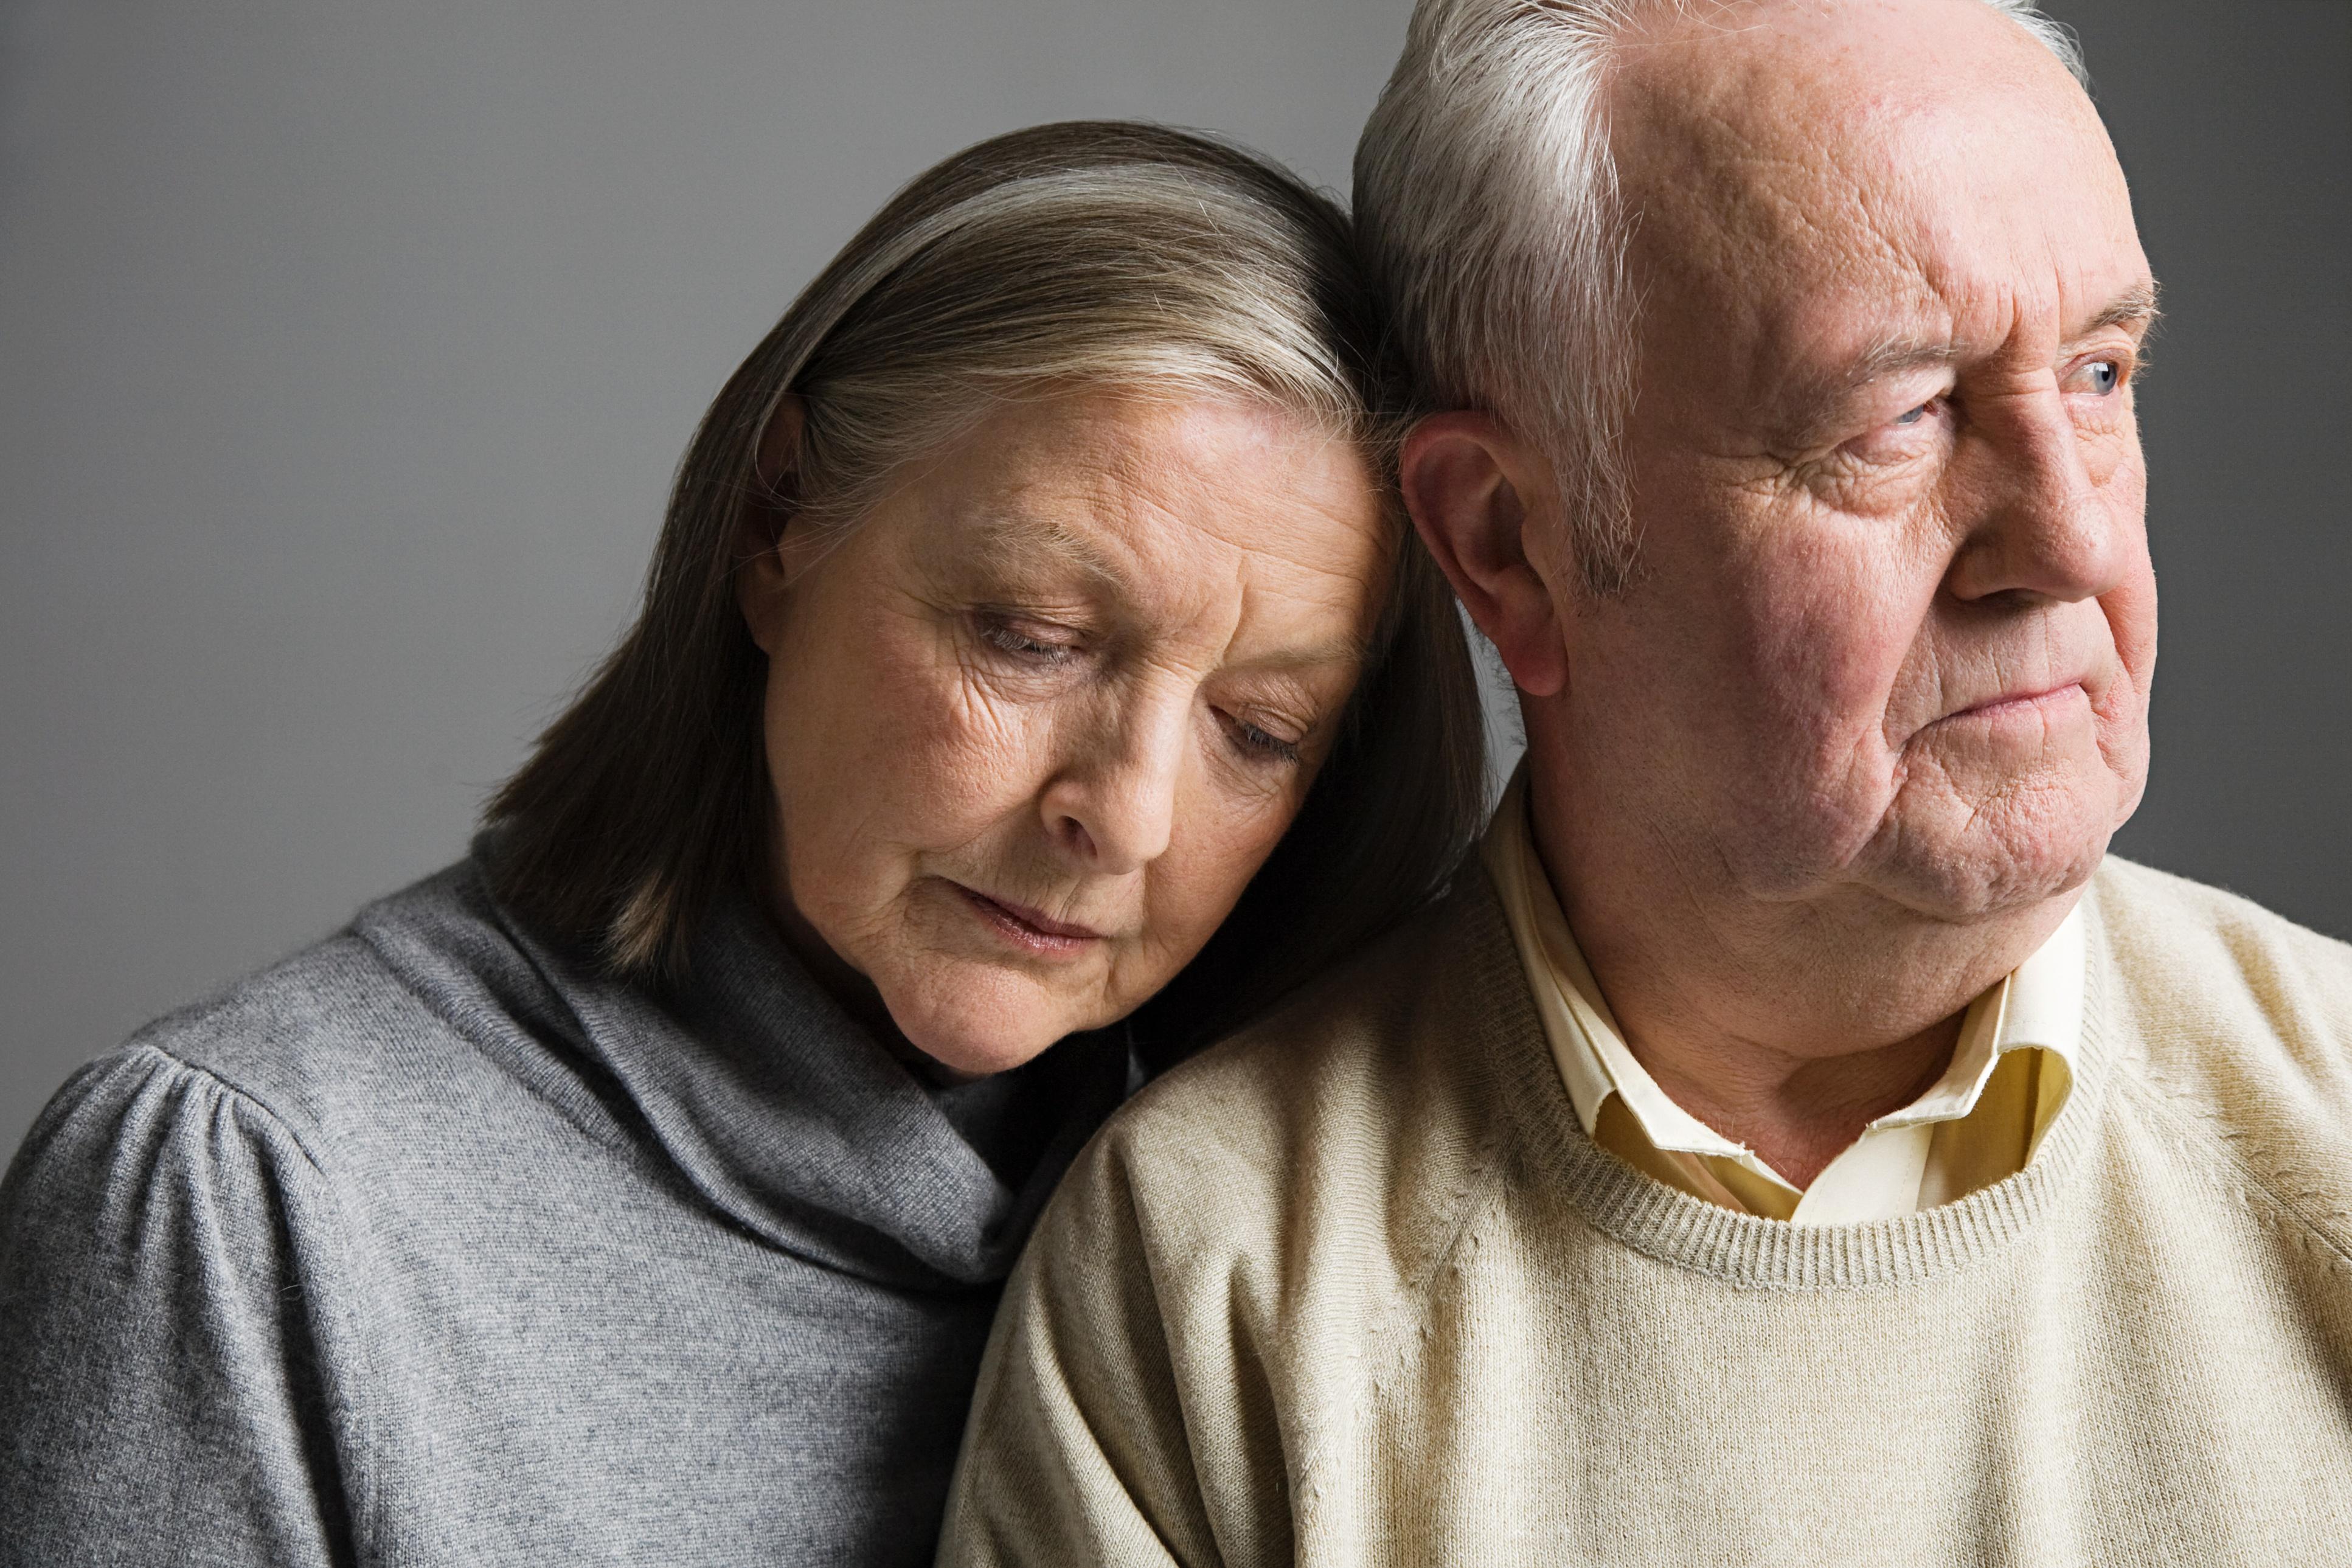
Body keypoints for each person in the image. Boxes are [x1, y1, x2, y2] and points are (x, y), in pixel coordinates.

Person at [939, 4, 2352, 1561]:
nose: (2072, 540)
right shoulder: (1202, 1286)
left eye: (2095, 375)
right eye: (1901, 415)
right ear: (1504, 540)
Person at [0, 122, 1488, 1566]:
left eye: (1260, 728)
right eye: (1030, 637)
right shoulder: (241, 1193)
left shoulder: (1292, 1241)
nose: (1127, 811)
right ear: (778, 526)